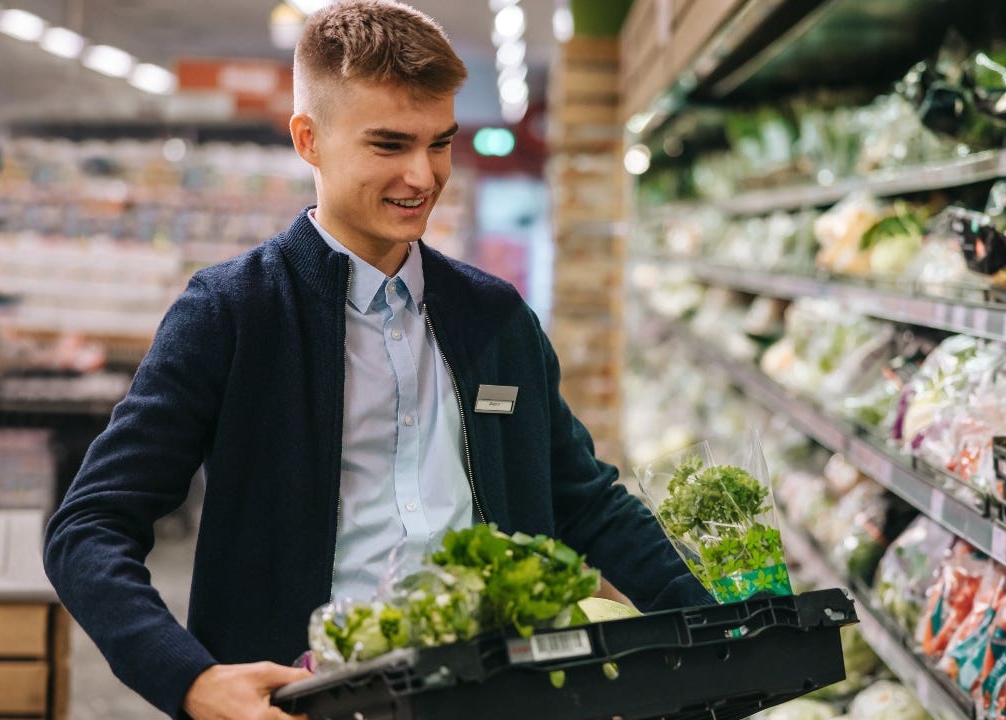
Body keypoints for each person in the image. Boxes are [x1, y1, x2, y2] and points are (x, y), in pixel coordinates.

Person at [43, 2, 710, 719]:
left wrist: (727, 628)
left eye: (440, 143)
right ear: (310, 140)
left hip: (498, 696)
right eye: (389, 145)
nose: (422, 176)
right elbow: (90, 527)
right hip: (305, 703)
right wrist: (191, 680)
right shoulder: (233, 312)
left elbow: (587, 502)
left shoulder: (495, 318)